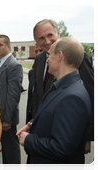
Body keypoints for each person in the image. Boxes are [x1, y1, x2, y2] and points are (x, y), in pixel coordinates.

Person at [17, 37, 91, 170]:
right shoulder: (64, 85)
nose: (47, 59)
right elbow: (56, 115)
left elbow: (62, 149)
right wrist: (33, 124)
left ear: (60, 56)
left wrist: (29, 140)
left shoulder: (73, 97)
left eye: (50, 55)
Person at [27, 19, 96, 159]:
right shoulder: (39, 59)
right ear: (35, 40)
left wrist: (87, 137)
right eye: (41, 38)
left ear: (58, 33)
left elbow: (90, 97)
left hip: (65, 132)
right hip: (40, 130)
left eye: (50, 35)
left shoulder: (78, 58)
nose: (47, 41)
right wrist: (31, 123)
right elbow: (35, 95)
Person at [0, 34, 22, 170]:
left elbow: (13, 95)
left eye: (0, 45)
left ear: (8, 46)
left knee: (10, 152)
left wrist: (7, 119)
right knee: (3, 152)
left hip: (5, 118)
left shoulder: (14, 65)